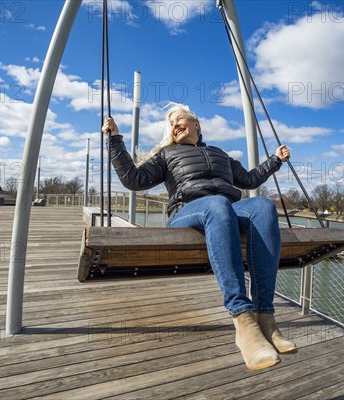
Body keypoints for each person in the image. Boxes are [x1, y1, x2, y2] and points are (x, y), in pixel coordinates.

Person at [102, 103, 296, 370]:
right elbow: (134, 180)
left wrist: (275, 160)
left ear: (196, 124)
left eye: (179, 119)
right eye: (170, 123)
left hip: (226, 209)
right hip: (187, 212)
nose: (174, 125)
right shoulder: (167, 156)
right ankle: (243, 319)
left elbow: (249, 180)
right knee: (217, 203)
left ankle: (265, 317)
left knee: (262, 206)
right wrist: (115, 140)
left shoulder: (220, 153)